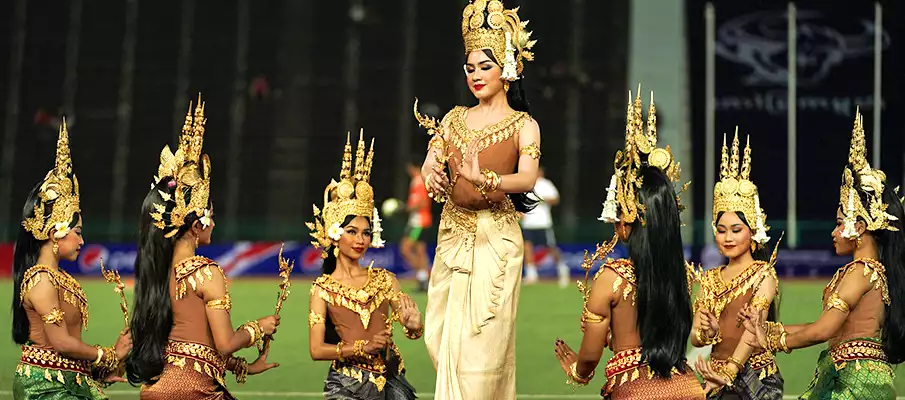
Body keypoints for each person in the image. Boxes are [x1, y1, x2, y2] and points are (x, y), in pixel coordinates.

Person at [413, 0, 542, 398]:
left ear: (508, 67)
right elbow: (430, 161)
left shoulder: (525, 125)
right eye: (470, 68)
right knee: (440, 338)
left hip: (496, 240)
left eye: (485, 66)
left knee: (484, 349)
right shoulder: (453, 119)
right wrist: (431, 172)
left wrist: (483, 178)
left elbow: (527, 178)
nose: (475, 75)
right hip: (453, 235)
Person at [741, 109, 905, 399]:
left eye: (840, 223)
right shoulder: (871, 271)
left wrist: (771, 339)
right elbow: (823, 327)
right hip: (858, 377)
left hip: (855, 384)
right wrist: (768, 330)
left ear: (862, 227)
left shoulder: (861, 272)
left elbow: (822, 330)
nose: (833, 231)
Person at [553, 89, 704, 399]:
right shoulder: (683, 275)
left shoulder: (611, 278)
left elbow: (590, 356)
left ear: (629, 218)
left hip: (634, 391)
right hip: (688, 387)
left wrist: (577, 371)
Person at [127, 97, 280, 398]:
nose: (215, 221)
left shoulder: (157, 270)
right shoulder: (206, 273)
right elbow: (223, 342)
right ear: (196, 225)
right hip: (193, 390)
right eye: (211, 212)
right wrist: (258, 328)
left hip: (155, 389)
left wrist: (243, 367)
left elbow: (193, 343)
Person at [11, 120, 132, 399]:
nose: (81, 241)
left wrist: (101, 370)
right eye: (77, 233)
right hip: (45, 386)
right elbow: (62, 343)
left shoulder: (61, 279)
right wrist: (109, 355)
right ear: (55, 233)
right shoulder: (40, 280)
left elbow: (69, 351)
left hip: (70, 381)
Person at [307, 132, 423, 399]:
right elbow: (316, 350)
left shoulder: (385, 280)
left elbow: (410, 329)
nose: (361, 240)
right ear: (335, 235)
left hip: (393, 383)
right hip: (346, 387)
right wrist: (362, 348)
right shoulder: (322, 289)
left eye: (366, 233)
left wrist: (415, 326)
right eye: (352, 231)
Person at [690, 131, 783, 398]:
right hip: (714, 376)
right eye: (721, 230)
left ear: (752, 232)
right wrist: (707, 333)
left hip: (753, 378)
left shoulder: (763, 274)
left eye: (736, 229)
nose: (727, 237)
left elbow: (751, 334)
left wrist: (728, 374)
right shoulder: (708, 278)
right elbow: (696, 336)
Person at [521, 167, 569, 287]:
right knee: (527, 248)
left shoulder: (546, 184)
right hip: (528, 223)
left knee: (551, 248)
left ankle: (563, 269)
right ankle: (532, 275)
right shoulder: (525, 185)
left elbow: (555, 199)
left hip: (543, 223)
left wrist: (541, 199)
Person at [400, 156, 432, 292]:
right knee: (420, 252)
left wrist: (405, 209)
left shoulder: (418, 181)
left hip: (418, 221)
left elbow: (422, 203)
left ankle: (424, 276)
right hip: (421, 220)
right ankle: (424, 281)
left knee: (405, 250)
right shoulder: (421, 180)